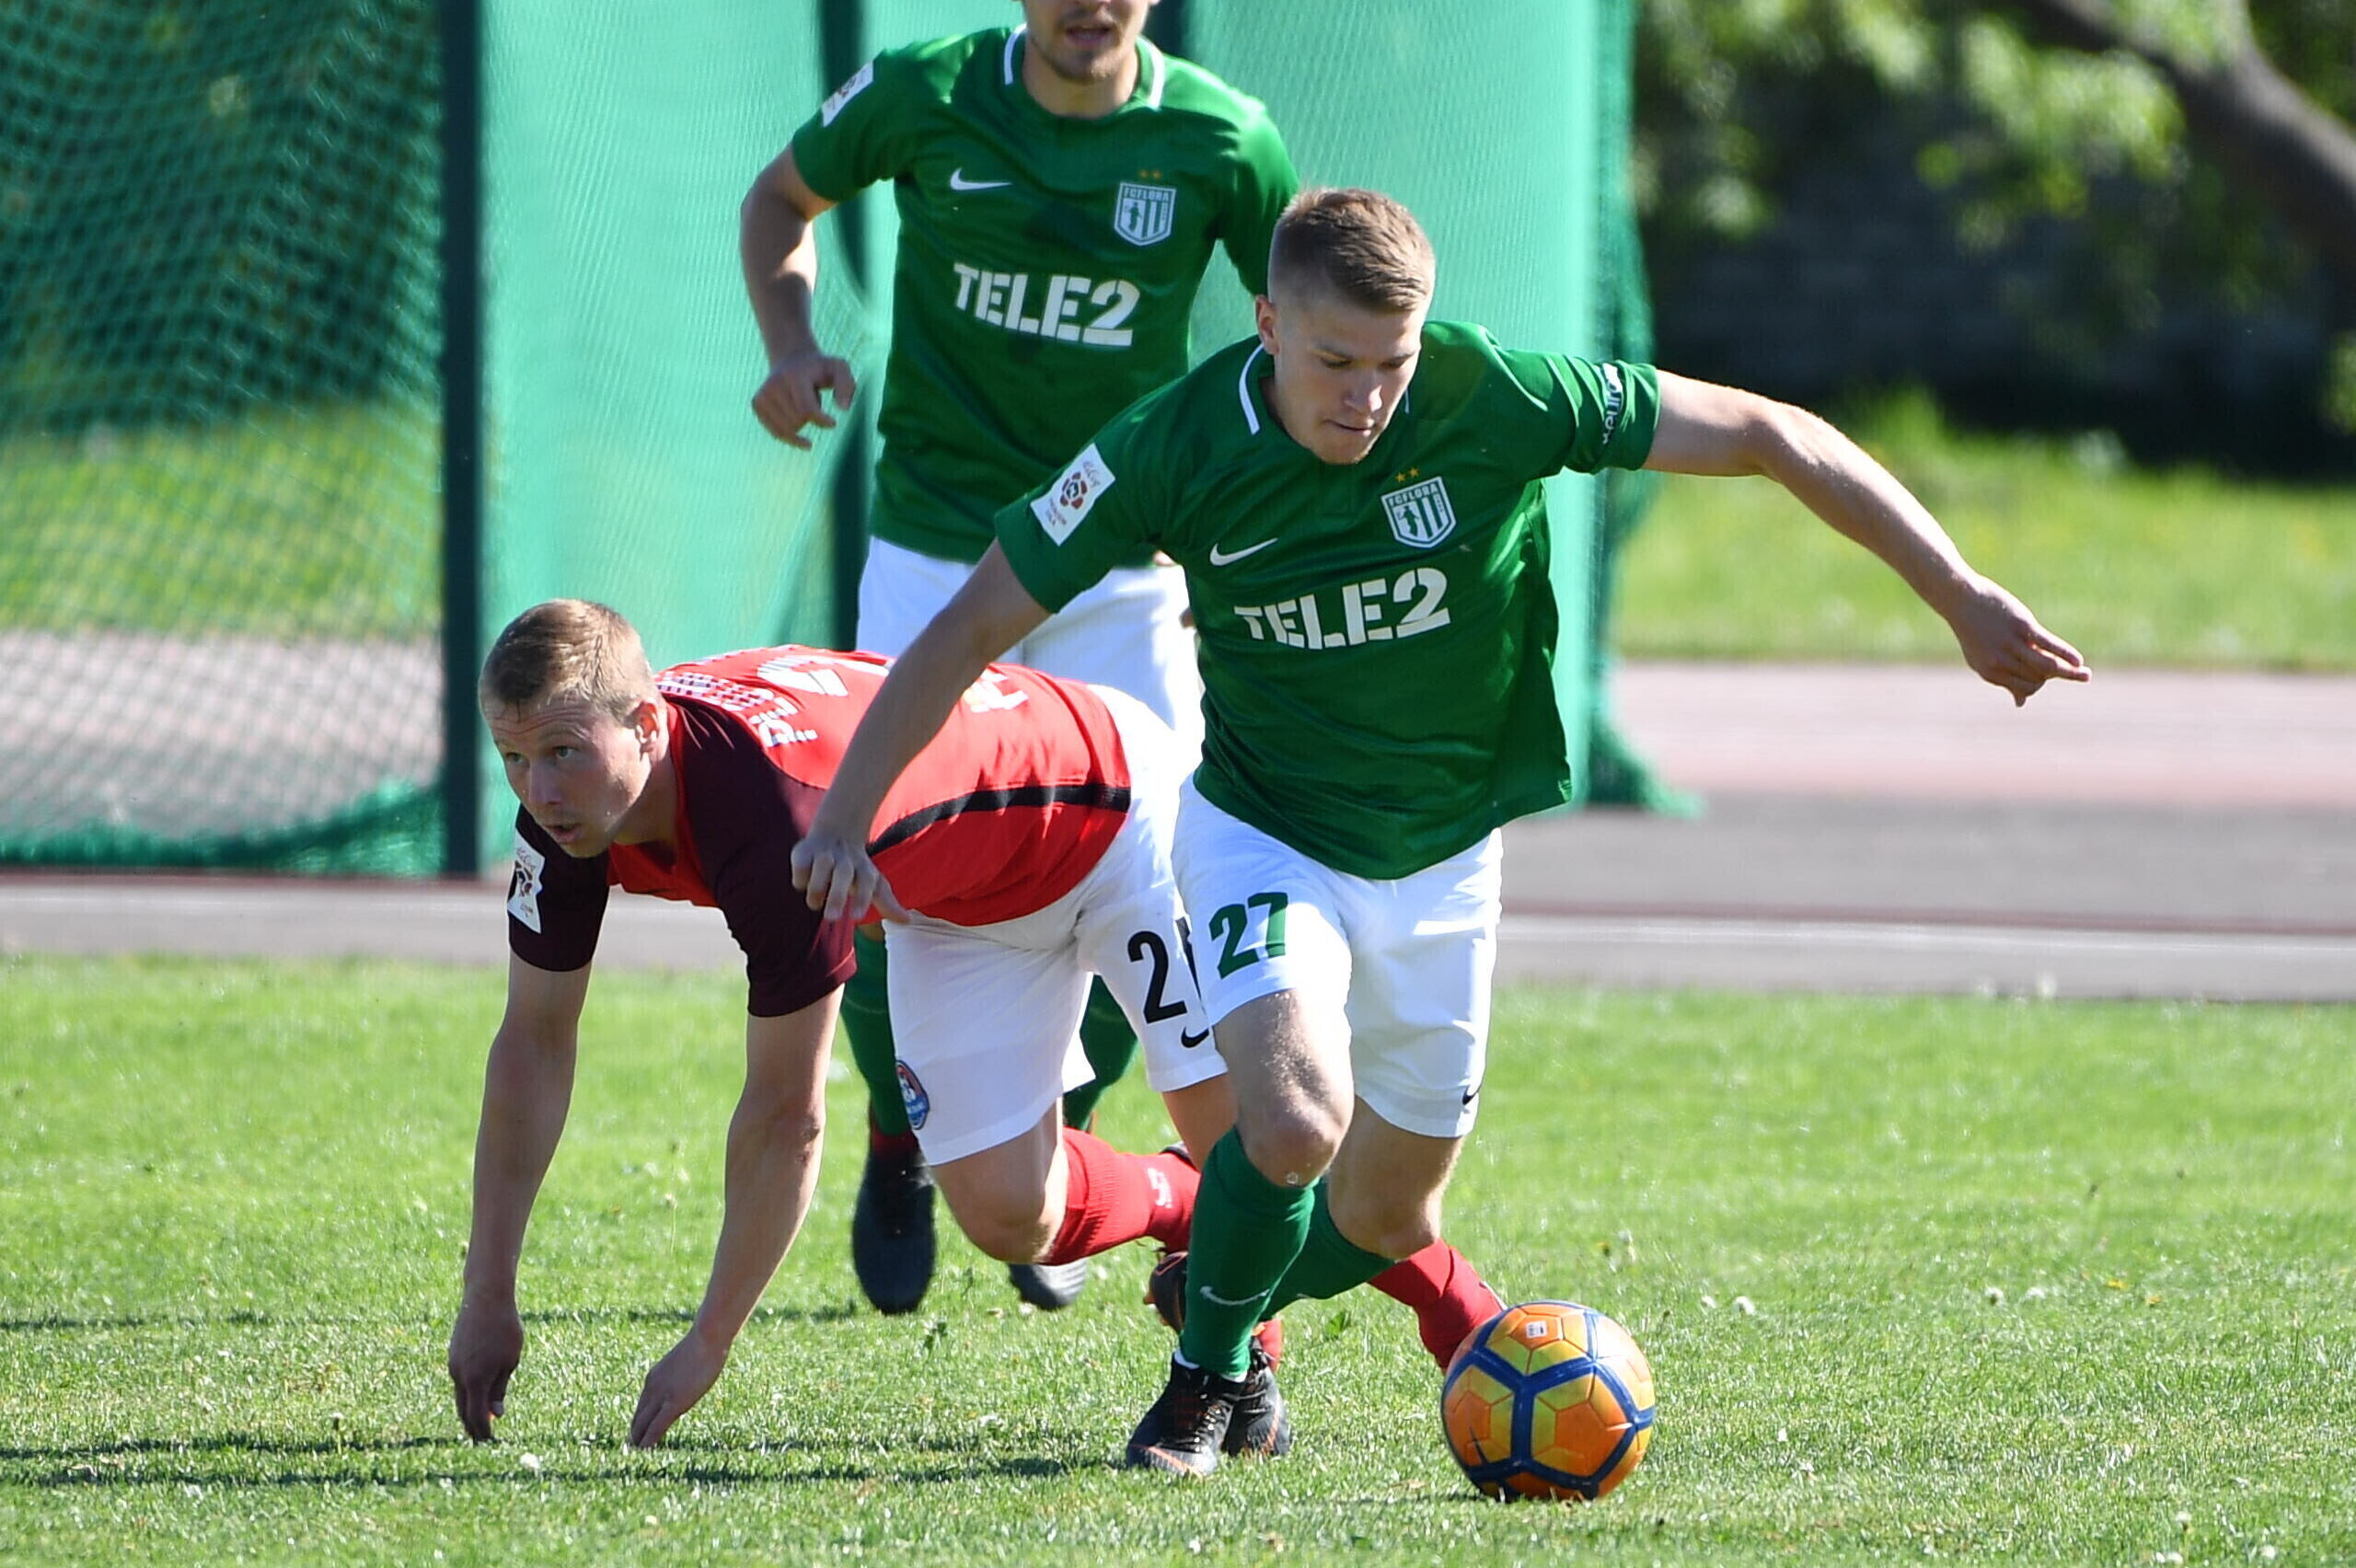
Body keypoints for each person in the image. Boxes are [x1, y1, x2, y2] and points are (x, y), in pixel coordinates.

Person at [788, 188, 2094, 1476]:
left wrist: (1960, 593)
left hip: (1449, 859)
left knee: (1384, 1208)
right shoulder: (1169, 446)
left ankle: (1224, 1271)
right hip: (1263, 836)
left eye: (1392, 363)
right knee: (1293, 1121)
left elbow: (1766, 430)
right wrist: (846, 815)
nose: (1366, 396)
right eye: (1334, 362)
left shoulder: (1492, 397)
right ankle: (1204, 1384)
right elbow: (969, 624)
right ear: (1266, 325)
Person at [740, 0, 1299, 1316]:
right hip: (939, 553)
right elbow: (777, 202)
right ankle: (899, 1132)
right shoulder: (929, 92)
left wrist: (1249, 501)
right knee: (870, 862)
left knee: (1162, 872)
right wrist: (789, 345)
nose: (1089, 5)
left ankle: (1059, 1138)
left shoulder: (1224, 141)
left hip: (1123, 564)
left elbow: (1304, 314)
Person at [447, 599, 1224, 1450]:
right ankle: (1185, 1201)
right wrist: (487, 1292)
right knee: (1010, 1214)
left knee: (1255, 1141)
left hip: (1111, 806)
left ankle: (1239, 1367)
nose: (540, 791)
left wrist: (710, 1339)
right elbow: (533, 1042)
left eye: (563, 753)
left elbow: (789, 1115)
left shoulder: (773, 819)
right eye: (514, 758)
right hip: (962, 902)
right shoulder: (568, 812)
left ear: (647, 725)